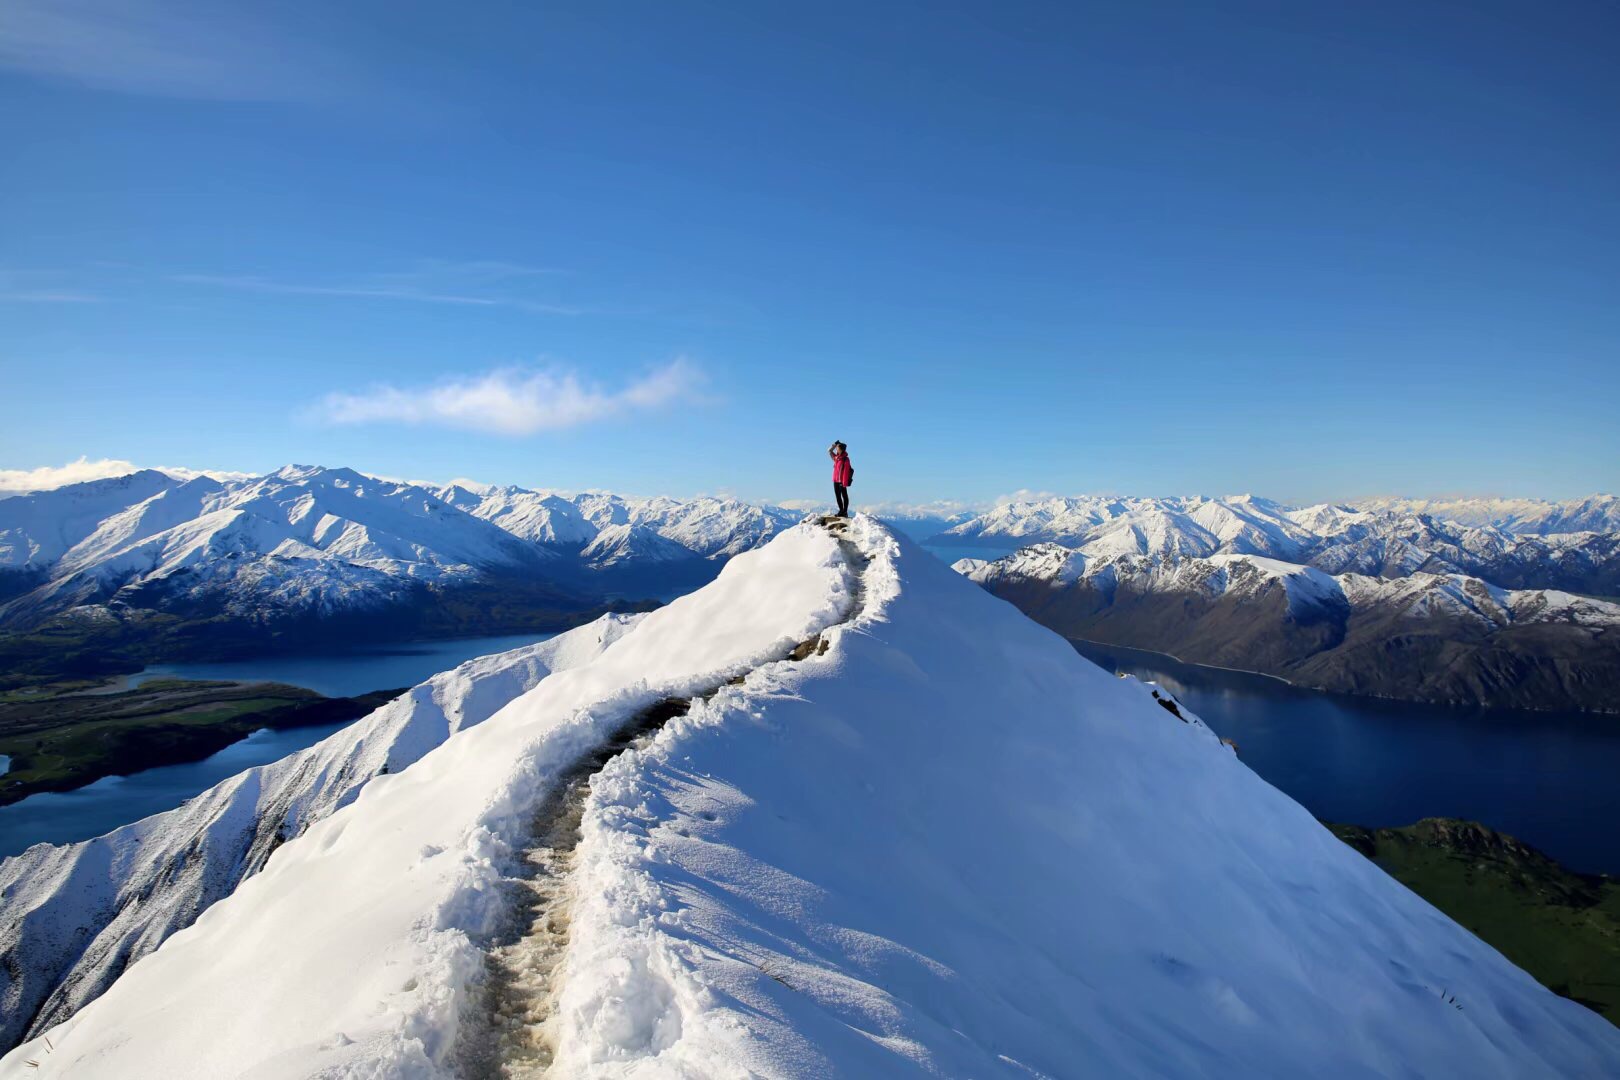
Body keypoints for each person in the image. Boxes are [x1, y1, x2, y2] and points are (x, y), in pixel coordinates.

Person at [829, 440, 854, 517]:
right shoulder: (837, 458)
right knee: (838, 496)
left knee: (844, 496)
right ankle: (841, 511)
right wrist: (834, 444)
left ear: (841, 449)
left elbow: (846, 472)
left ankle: (845, 512)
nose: (836, 449)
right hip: (835, 480)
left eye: (837, 448)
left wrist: (844, 483)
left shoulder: (845, 459)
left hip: (842, 481)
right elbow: (829, 451)